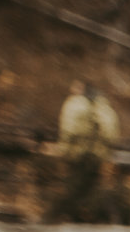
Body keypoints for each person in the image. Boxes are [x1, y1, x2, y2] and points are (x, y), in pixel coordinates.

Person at [51, 80, 121, 224]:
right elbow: (111, 135)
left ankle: (54, 218)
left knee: (71, 188)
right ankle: (85, 219)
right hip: (97, 155)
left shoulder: (74, 105)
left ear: (81, 88)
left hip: (77, 154)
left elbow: (68, 130)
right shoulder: (105, 108)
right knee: (90, 188)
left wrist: (64, 150)